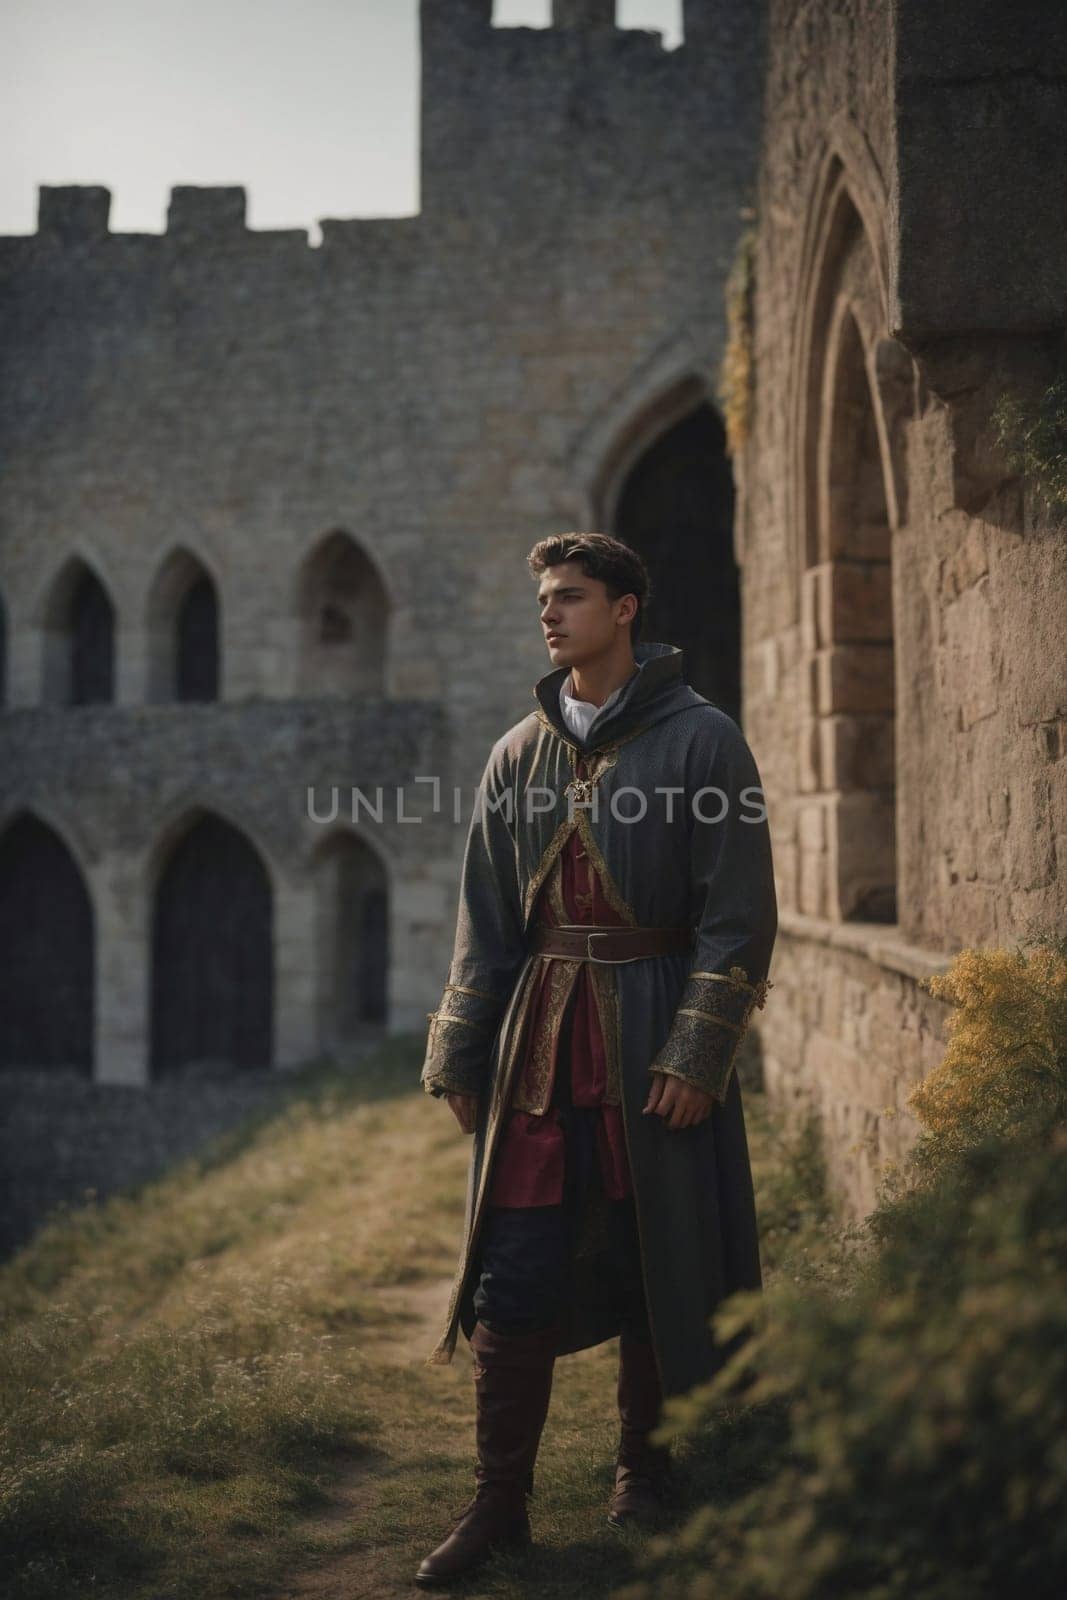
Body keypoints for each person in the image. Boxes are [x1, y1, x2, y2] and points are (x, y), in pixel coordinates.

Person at [415, 532, 777, 1587]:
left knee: (652, 1254)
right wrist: (461, 1046)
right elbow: (484, 921)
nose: (548, 613)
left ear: (623, 609)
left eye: (568, 596)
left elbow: (737, 917)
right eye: (541, 598)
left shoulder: (704, 743)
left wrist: (695, 1051)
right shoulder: (513, 754)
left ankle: (644, 1471)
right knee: (512, 1268)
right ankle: (497, 1502)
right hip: (538, 1037)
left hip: (651, 1027)